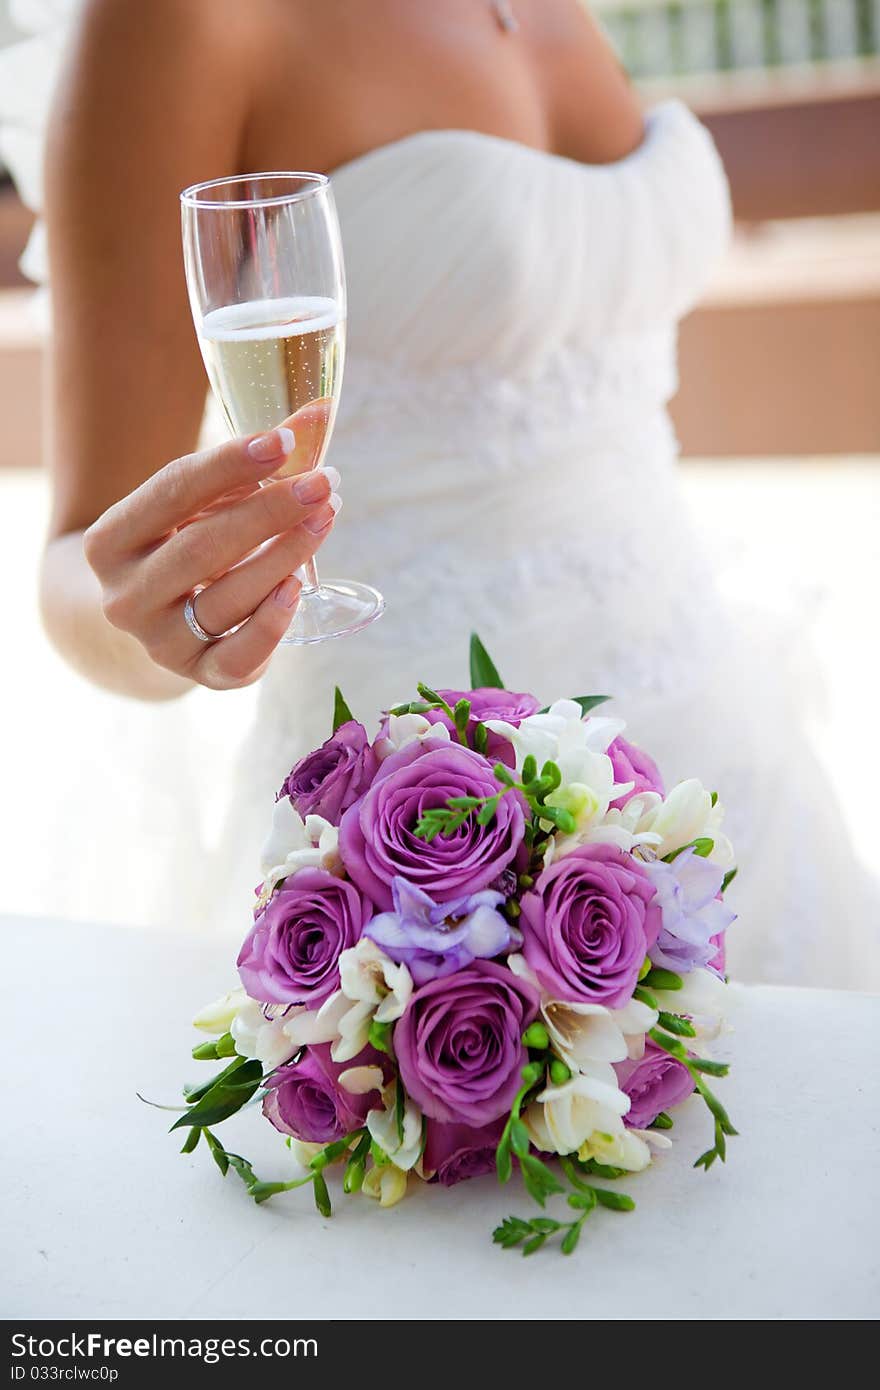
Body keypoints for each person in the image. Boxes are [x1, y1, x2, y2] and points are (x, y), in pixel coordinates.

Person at [6, 0, 879, 985]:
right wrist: (171, 621)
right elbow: (79, 564)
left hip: (723, 776)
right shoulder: (177, 20)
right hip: (427, 878)